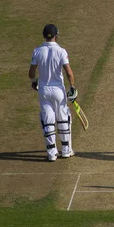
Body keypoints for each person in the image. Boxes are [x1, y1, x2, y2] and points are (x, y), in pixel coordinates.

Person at [28, 24, 77, 162]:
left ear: (44, 35)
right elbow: (68, 71)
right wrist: (72, 87)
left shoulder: (37, 51)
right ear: (56, 35)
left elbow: (31, 72)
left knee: (47, 119)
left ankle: (51, 153)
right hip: (58, 90)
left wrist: (34, 80)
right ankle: (66, 150)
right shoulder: (61, 51)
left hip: (44, 90)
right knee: (63, 117)